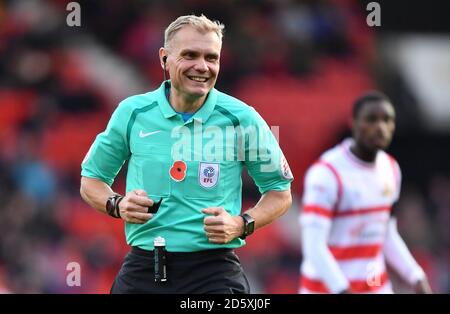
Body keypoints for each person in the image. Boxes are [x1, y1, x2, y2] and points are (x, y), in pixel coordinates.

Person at [80, 14, 293, 294]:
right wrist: (116, 205)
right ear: (164, 58)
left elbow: (280, 192)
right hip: (144, 269)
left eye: (211, 57)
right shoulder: (132, 113)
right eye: (190, 55)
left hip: (213, 273)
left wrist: (242, 224)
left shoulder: (243, 119)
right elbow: (91, 180)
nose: (202, 67)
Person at [298, 91, 432, 294]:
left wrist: (416, 276)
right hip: (326, 288)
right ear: (353, 123)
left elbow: (386, 233)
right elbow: (313, 247)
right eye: (371, 119)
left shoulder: (391, 169)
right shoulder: (327, 173)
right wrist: (342, 289)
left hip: (375, 286)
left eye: (387, 120)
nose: (380, 127)